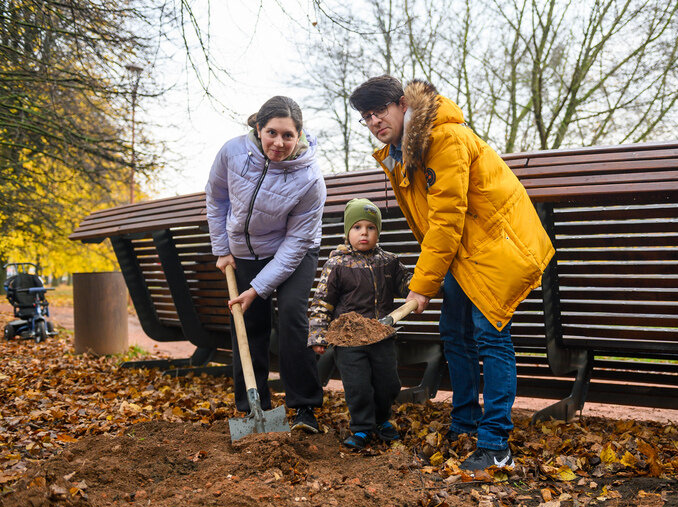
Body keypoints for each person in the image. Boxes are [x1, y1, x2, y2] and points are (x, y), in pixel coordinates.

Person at [349, 76, 555, 470]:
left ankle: (496, 444)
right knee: (455, 335)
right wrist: (433, 276)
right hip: (465, 251)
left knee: (489, 335)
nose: (374, 121)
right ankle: (464, 423)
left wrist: (423, 284)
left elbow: (445, 220)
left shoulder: (443, 138)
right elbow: (432, 225)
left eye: (380, 111)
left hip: (498, 247)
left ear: (403, 104)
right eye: (366, 117)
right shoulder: (400, 152)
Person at [206, 96, 325, 433]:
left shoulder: (310, 179)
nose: (279, 143)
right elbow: (216, 198)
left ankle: (304, 408)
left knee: (290, 316)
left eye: (288, 135)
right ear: (258, 128)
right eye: (272, 132)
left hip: (293, 252)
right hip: (243, 251)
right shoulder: (232, 153)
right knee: (247, 325)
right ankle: (251, 407)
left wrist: (258, 288)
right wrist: (222, 249)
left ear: (299, 135)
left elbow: (296, 242)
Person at [307, 198, 413, 449]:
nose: (364, 232)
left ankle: (381, 419)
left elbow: (408, 284)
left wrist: (423, 283)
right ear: (348, 232)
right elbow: (322, 301)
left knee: (388, 382)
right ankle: (363, 427)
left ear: (378, 232)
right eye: (357, 227)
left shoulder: (389, 261)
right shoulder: (338, 264)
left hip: (381, 336)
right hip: (349, 339)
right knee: (358, 385)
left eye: (370, 227)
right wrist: (318, 335)